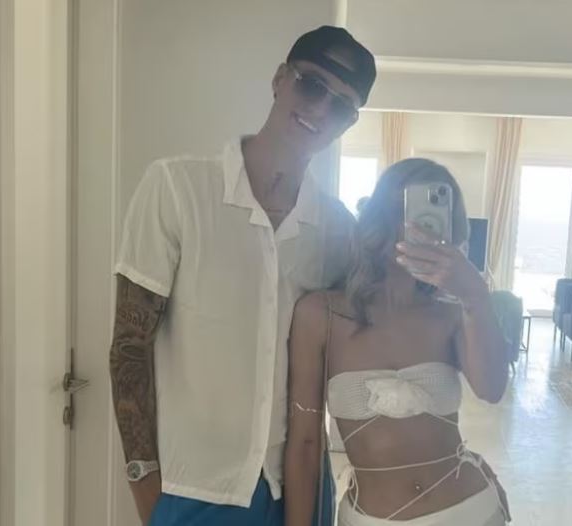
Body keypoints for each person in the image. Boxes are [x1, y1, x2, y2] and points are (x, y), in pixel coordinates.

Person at [109, 26, 376, 526]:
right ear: (280, 80)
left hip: (298, 488)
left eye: (342, 105)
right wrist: (145, 485)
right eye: (312, 85)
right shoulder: (177, 189)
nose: (321, 109)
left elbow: (367, 350)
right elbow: (129, 345)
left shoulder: (338, 229)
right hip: (195, 490)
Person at [285, 159, 511, 526]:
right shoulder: (320, 315)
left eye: (430, 215)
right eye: (401, 210)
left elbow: (492, 389)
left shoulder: (452, 313)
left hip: (470, 511)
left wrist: (476, 297)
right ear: (378, 219)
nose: (414, 225)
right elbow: (305, 444)